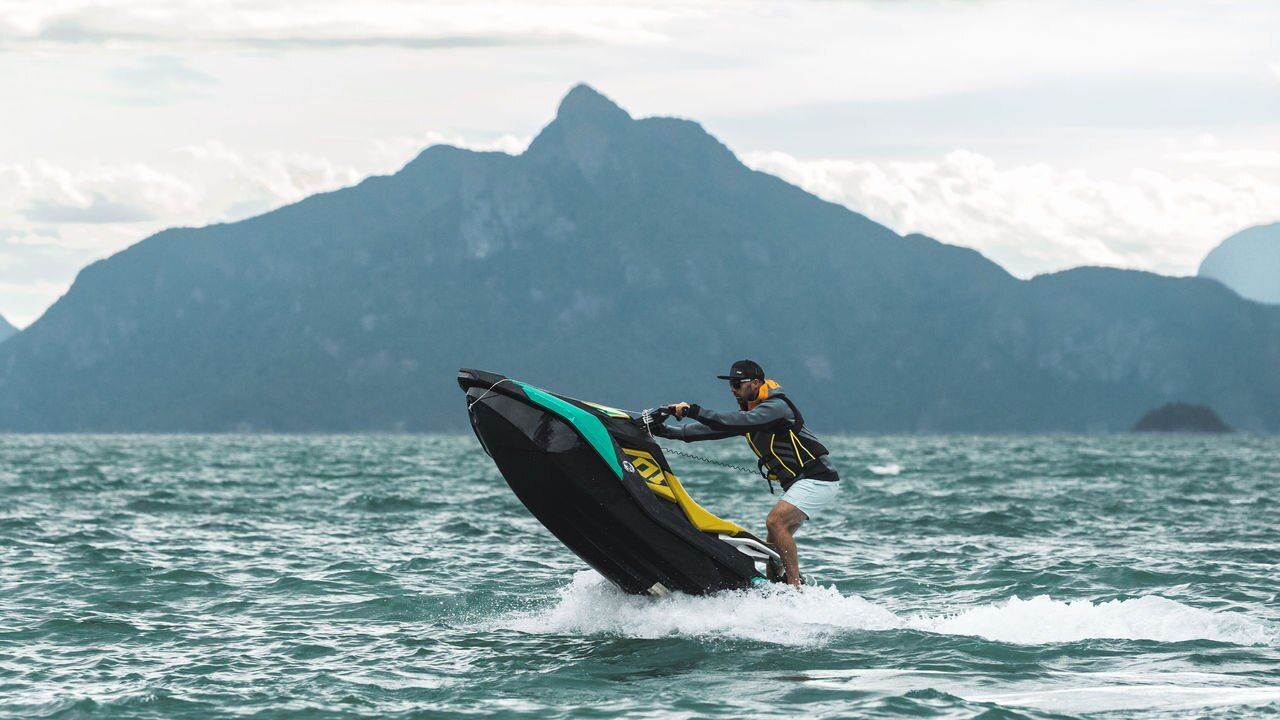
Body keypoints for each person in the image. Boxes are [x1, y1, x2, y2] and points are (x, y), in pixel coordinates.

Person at [648, 359, 840, 588]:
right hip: (802, 483)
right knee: (774, 545)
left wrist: (693, 410)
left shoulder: (776, 407)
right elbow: (715, 429)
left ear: (757, 383)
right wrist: (666, 432)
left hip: (818, 478)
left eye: (738, 383)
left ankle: (794, 589)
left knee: (775, 522)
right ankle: (778, 589)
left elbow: (738, 421)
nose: (733, 388)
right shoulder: (755, 412)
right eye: (731, 384)